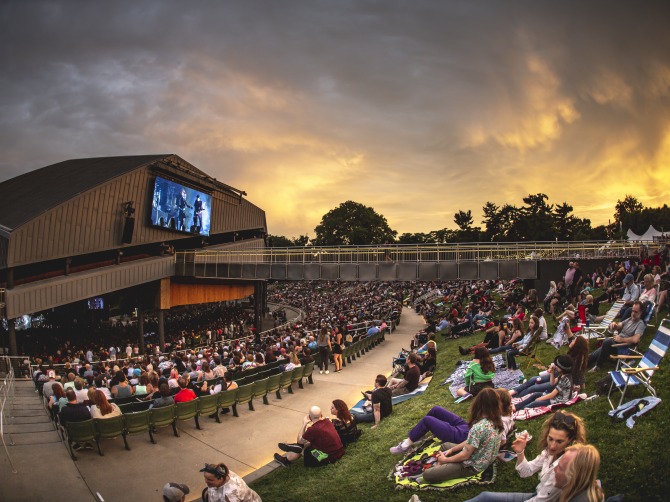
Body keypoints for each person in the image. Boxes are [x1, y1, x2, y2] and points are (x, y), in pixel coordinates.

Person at [467, 411, 587, 502]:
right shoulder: (549, 452)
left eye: (559, 441)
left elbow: (541, 501)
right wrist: (520, 452)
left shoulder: (564, 467)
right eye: (550, 439)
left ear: (571, 441)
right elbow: (526, 472)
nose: (553, 446)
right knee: (485, 496)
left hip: (540, 499)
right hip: (538, 495)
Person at [409, 388, 503, 485]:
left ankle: (438, 469)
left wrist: (446, 460)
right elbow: (470, 441)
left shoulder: (479, 427)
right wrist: (452, 450)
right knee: (446, 446)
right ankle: (442, 465)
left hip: (472, 466)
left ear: (478, 404)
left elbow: (465, 455)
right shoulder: (497, 420)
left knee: (427, 474)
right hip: (481, 458)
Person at [274, 405, 345, 468]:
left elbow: (300, 440)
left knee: (303, 448)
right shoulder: (327, 421)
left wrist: (304, 424)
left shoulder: (313, 429)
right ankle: (293, 450)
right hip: (339, 452)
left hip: (327, 458)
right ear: (321, 414)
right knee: (307, 443)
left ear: (310, 417)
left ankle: (289, 457)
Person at [588, 300, 645, 372]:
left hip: (623, 346)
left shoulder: (640, 324)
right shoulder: (630, 319)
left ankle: (598, 366)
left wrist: (621, 339)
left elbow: (636, 339)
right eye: (632, 311)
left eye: (636, 312)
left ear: (641, 312)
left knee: (607, 342)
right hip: (615, 343)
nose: (633, 313)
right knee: (594, 354)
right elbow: (618, 325)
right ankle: (581, 363)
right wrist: (614, 324)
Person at [389, 404, 470, 455]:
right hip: (467, 427)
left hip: (464, 436)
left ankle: (405, 446)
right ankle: (418, 435)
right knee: (436, 409)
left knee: (427, 420)